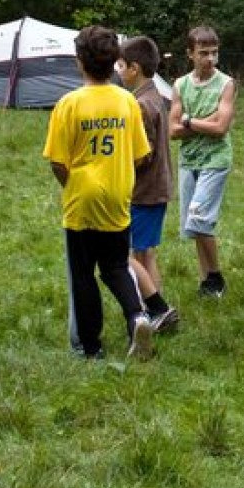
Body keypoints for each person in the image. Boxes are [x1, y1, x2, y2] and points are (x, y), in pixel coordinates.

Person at [43, 25, 154, 361]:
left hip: (82, 200)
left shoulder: (68, 104)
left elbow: (58, 161)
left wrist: (73, 186)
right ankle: (137, 316)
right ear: (114, 62)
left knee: (83, 275)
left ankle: (91, 347)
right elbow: (141, 154)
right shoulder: (126, 102)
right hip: (118, 195)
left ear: (79, 62)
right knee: (117, 265)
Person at [170, 25, 237, 298]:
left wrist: (189, 121)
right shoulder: (180, 85)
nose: (210, 59)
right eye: (203, 53)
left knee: (199, 217)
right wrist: (204, 121)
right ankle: (205, 279)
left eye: (214, 53)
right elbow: (173, 131)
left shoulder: (226, 84)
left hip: (216, 159)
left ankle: (216, 276)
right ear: (190, 54)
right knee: (192, 223)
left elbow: (221, 128)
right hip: (189, 160)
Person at [120, 36, 178, 331]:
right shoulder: (155, 96)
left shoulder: (141, 104)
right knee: (146, 252)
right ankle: (155, 309)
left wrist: (118, 166)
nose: (118, 71)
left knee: (137, 254)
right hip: (157, 189)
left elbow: (142, 155)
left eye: (121, 65)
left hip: (145, 192)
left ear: (134, 68)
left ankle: (157, 310)